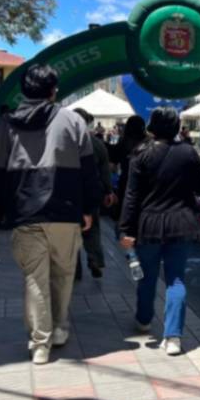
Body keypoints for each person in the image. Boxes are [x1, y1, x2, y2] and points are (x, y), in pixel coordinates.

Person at [0, 64, 102, 365]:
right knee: (63, 275)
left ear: (23, 90)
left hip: (25, 215)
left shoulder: (5, 127)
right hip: (66, 212)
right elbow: (89, 172)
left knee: (34, 280)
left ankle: (40, 344)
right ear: (53, 91)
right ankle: (60, 329)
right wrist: (89, 208)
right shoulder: (73, 121)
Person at [119, 108, 200, 356]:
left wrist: (125, 228)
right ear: (177, 127)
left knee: (147, 277)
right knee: (176, 279)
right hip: (182, 223)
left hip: (149, 224)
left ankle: (144, 319)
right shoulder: (189, 153)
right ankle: (173, 337)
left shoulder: (140, 154)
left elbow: (132, 196)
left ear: (152, 128)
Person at [74, 108, 117, 279]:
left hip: (71, 192)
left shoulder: (65, 141)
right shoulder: (97, 143)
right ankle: (94, 259)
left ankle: (75, 269)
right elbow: (105, 171)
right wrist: (108, 191)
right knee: (93, 228)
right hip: (92, 191)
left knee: (72, 231)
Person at [113, 115, 148, 231]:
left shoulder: (123, 141)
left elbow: (115, 159)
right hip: (144, 183)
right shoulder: (148, 143)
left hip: (125, 181)